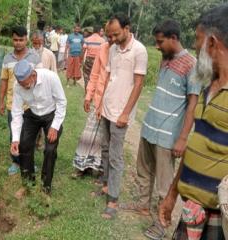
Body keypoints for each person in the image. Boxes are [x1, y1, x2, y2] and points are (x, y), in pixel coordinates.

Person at [118, 20, 201, 239]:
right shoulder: (165, 60)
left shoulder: (192, 64)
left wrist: (183, 138)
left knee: (165, 184)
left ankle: (162, 224)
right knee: (143, 171)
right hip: (149, 127)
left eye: (160, 41)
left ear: (173, 38)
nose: (157, 46)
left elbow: (192, 104)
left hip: (168, 135)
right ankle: (142, 205)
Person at [158, 5, 228, 239]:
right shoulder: (209, 85)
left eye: (198, 40)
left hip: (220, 217)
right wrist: (172, 194)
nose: (196, 47)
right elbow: (195, 144)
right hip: (192, 211)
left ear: (212, 43)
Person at [98, 13, 148, 219]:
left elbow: (138, 84)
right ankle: (106, 185)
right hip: (107, 108)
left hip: (121, 113)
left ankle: (113, 200)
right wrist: (101, 103)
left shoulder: (140, 50)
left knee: (117, 157)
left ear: (127, 28)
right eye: (110, 35)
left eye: (116, 34)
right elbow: (109, 76)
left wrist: (126, 113)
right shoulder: (112, 49)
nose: (113, 38)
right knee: (105, 150)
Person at [10, 59, 67, 198]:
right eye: (21, 85)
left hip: (51, 115)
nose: (22, 87)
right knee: (24, 145)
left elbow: (61, 102)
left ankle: (45, 187)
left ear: (33, 76)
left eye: (25, 85)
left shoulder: (50, 77)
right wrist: (15, 139)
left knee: (50, 149)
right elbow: (17, 112)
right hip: (33, 114)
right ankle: (28, 183)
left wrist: (55, 126)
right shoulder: (18, 86)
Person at [72, 22, 114, 180]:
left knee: (105, 137)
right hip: (97, 98)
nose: (111, 39)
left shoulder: (123, 52)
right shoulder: (104, 48)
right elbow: (95, 74)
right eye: (108, 35)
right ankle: (82, 167)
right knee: (88, 133)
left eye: (113, 35)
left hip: (112, 103)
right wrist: (88, 95)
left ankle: (101, 170)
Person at [0, 26, 41, 176]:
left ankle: (29, 162)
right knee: (14, 133)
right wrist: (1, 101)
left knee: (29, 135)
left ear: (26, 39)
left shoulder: (34, 57)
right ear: (12, 40)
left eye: (21, 40)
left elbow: (39, 78)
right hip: (12, 104)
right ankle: (15, 162)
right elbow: (4, 80)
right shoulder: (7, 59)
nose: (18, 43)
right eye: (15, 40)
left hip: (30, 105)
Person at [82, 24, 106, 91]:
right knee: (96, 76)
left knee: (87, 75)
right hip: (98, 60)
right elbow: (104, 52)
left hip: (88, 59)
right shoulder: (102, 41)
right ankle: (93, 91)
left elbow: (83, 50)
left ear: (93, 31)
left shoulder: (87, 39)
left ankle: (87, 91)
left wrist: (81, 60)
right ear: (99, 31)